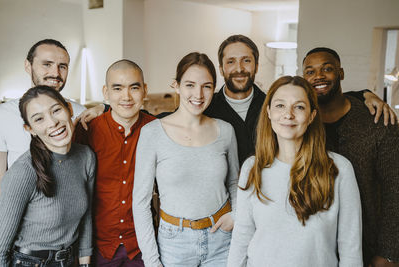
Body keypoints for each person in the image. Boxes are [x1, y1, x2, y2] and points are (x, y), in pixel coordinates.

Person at [79, 35, 395, 166]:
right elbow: (157, 119)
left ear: (256, 65)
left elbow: (313, 98)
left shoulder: (276, 103)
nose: (239, 68)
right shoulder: (205, 106)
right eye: (231, 62)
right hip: (222, 216)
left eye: (246, 61)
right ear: (222, 68)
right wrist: (103, 107)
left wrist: (361, 95)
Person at [227, 76, 362, 267]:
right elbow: (241, 238)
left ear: (312, 115)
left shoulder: (339, 169)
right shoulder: (252, 168)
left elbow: (350, 248)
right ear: (268, 112)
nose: (288, 114)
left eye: (299, 107)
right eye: (280, 106)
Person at [133, 52, 239, 267]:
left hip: (221, 238)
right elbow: (140, 203)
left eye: (207, 86)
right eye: (190, 85)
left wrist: (235, 216)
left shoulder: (225, 131)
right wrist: (152, 262)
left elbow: (235, 183)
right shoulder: (152, 133)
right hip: (174, 243)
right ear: (176, 85)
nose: (198, 94)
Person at [302, 47, 399, 267]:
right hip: (314, 245)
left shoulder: (377, 120)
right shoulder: (300, 122)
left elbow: (395, 190)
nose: (318, 76)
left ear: (341, 73)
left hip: (368, 243)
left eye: (327, 69)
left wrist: (390, 252)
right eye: (310, 71)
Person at [0, 85, 95, 267]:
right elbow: (0, 248)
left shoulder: (86, 156)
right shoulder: (23, 171)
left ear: (70, 109)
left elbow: (86, 217)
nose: (52, 123)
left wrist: (85, 263)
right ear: (30, 129)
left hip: (69, 261)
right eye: (39, 119)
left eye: (56, 110)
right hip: (29, 262)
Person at [74, 59, 155, 266]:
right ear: (106, 92)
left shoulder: (158, 130)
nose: (126, 97)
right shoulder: (86, 130)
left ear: (145, 90)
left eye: (134, 88)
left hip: (143, 245)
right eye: (117, 88)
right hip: (98, 247)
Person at [0, 39, 86, 185]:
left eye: (62, 66)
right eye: (47, 64)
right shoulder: (3, 114)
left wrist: (104, 107)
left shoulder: (82, 113)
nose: (55, 73)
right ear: (28, 66)